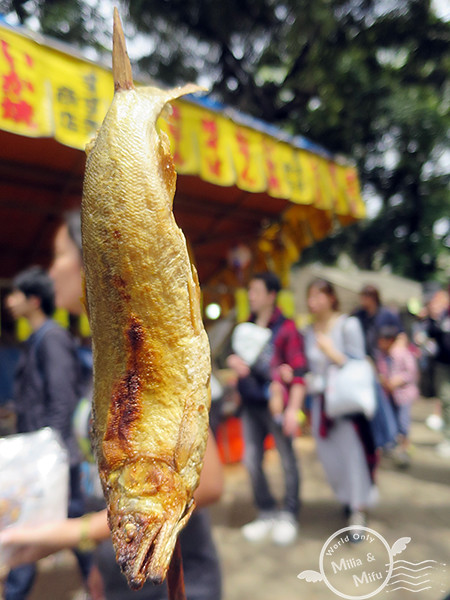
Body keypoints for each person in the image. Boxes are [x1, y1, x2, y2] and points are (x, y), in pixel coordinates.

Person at [0, 211, 223, 600]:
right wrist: (99, 561)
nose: (51, 272)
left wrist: (76, 532)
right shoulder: (100, 359)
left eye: (59, 255)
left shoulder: (150, 357)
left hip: (175, 584)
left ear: (95, 256)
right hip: (120, 575)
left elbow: (212, 483)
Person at [3, 265, 91, 600]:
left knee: (36, 524)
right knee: (71, 520)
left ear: (34, 300)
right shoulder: (38, 338)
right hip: (45, 453)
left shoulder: (52, 338)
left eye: (16, 294)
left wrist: (51, 451)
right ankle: (97, 579)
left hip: (50, 456)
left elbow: (62, 397)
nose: (9, 301)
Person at [226, 272, 306, 546]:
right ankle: (267, 510)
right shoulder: (245, 326)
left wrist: (293, 407)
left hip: (277, 405)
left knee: (286, 458)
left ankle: (289, 513)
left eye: (256, 290)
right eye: (250, 290)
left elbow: (297, 371)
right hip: (250, 404)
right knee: (251, 460)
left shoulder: (286, 328)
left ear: (272, 295)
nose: (251, 296)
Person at [303, 279, 378, 534]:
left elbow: (359, 363)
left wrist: (331, 352)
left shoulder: (348, 324)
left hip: (345, 404)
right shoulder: (308, 330)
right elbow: (308, 368)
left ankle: (358, 508)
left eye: (319, 295)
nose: (314, 301)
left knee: (352, 455)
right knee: (330, 458)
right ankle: (347, 500)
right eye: (310, 296)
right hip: (320, 404)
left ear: (331, 298)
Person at [375, 325, 419, 467]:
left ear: (390, 341)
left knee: (403, 422)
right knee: (392, 422)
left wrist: (398, 380)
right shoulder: (381, 356)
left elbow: (411, 372)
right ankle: (393, 448)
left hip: (403, 395)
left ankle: (405, 450)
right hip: (389, 396)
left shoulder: (402, 353)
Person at [423, 286, 450, 458]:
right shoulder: (443, 316)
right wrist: (432, 318)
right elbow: (432, 334)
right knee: (446, 400)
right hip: (443, 364)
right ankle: (448, 438)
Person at [353, 284, 404, 358]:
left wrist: (396, 352)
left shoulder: (387, 314)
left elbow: (401, 335)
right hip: (366, 357)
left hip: (386, 357)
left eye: (365, 297)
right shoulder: (359, 315)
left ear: (373, 297)